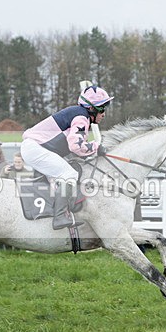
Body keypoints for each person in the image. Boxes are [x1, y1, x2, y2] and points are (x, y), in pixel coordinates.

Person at [21, 82, 111, 229]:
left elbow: (76, 147)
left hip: (36, 148)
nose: (104, 113)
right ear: (91, 108)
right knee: (69, 174)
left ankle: (56, 213)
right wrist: (96, 147)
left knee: (63, 175)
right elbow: (76, 146)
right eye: (101, 108)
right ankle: (60, 217)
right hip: (36, 148)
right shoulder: (82, 117)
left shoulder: (79, 115)